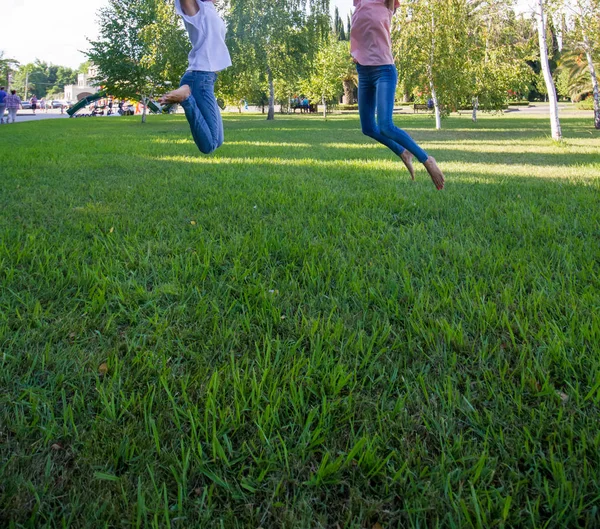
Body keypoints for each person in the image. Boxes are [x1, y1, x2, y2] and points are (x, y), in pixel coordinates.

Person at [351, 0, 445, 189]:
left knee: (385, 126)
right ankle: (403, 152)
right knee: (368, 128)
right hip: (363, 72)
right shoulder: (359, 2)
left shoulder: (387, 4)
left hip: (383, 71)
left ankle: (427, 160)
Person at [159, 0, 232, 154]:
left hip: (207, 79)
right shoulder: (197, 9)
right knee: (208, 145)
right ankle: (186, 98)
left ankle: (186, 94)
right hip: (199, 77)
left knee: (218, 141)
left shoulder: (209, 9)